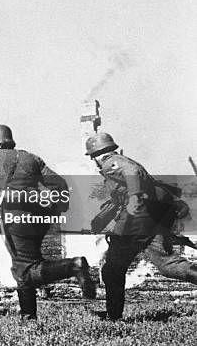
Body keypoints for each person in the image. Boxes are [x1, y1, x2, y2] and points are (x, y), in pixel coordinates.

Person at [0, 125, 95, 320]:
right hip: (39, 218)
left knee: (25, 268)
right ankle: (28, 316)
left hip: (13, 217)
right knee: (24, 266)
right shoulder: (31, 157)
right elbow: (59, 184)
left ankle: (73, 266)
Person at [85, 132, 197, 321]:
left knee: (112, 269)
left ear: (96, 154)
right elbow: (118, 199)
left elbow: (132, 172)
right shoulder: (120, 162)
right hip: (151, 220)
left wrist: (135, 196)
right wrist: (99, 221)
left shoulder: (112, 162)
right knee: (168, 265)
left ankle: (113, 316)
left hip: (135, 223)